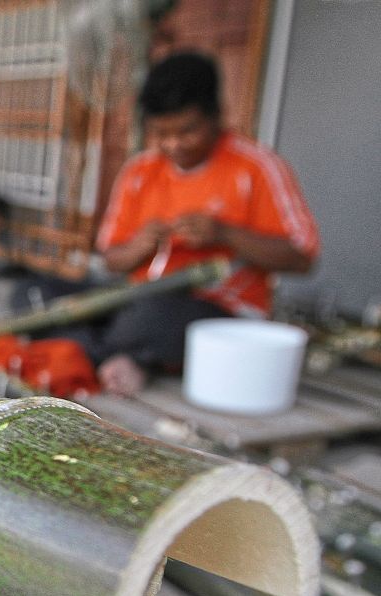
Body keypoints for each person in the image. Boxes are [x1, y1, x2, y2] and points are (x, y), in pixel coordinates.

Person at [90, 51, 319, 395]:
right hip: (139, 300)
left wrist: (224, 233)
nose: (173, 144)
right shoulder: (140, 171)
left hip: (221, 316)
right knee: (44, 292)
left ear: (217, 116)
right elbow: (110, 259)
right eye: (161, 133)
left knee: (153, 319)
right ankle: (125, 355)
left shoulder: (257, 167)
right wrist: (139, 246)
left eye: (187, 130)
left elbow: (302, 257)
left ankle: (108, 352)